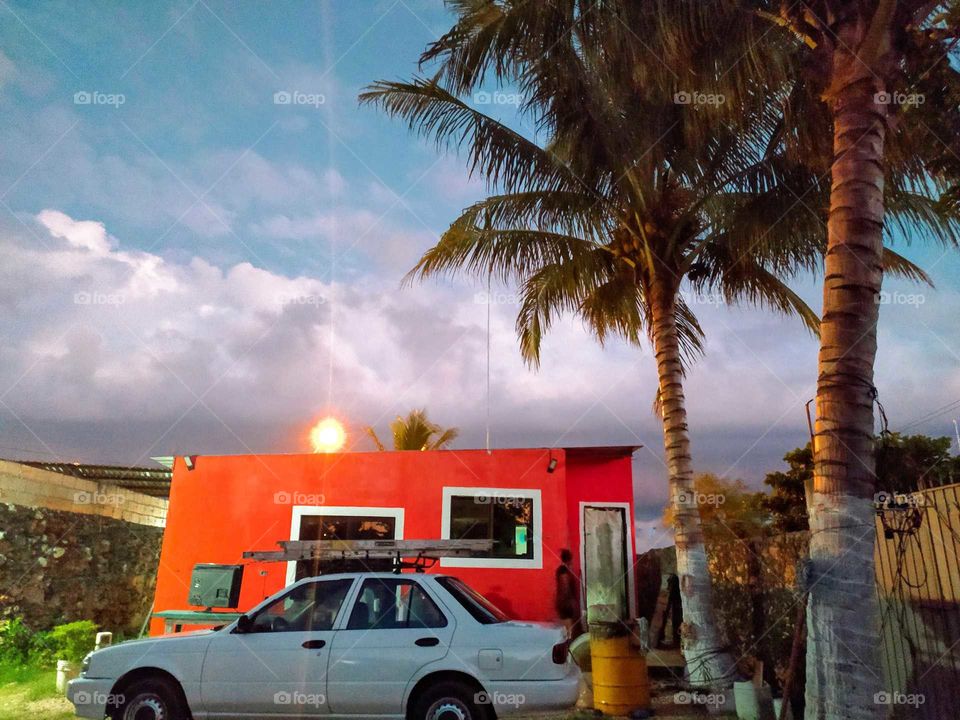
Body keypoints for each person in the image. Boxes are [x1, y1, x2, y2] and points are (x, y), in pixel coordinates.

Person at [555, 549, 582, 637]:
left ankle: (566, 644)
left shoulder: (561, 570)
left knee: (566, 627)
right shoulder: (564, 572)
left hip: (562, 602)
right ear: (569, 559)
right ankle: (568, 645)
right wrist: (570, 602)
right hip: (565, 603)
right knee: (569, 629)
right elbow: (565, 588)